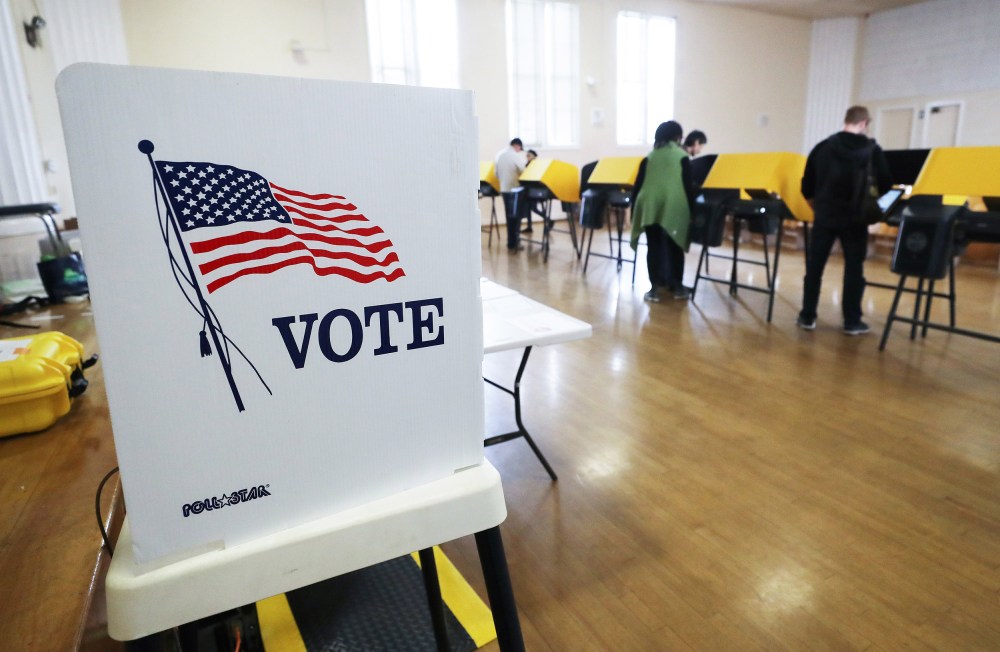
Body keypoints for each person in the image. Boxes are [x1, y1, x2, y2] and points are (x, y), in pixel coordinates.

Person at [797, 106, 892, 335]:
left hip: (825, 216)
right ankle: (851, 321)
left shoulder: (822, 148)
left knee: (814, 268)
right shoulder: (872, 150)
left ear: (846, 120)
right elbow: (887, 184)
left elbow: (806, 185)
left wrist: (817, 206)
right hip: (856, 218)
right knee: (854, 270)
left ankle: (807, 316)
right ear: (863, 124)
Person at [630, 121, 696, 302]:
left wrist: (634, 210)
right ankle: (677, 287)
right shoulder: (682, 156)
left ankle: (654, 288)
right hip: (674, 205)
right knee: (675, 245)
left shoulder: (649, 156)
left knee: (654, 246)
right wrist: (693, 211)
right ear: (677, 137)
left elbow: (638, 185)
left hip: (649, 205)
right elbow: (688, 186)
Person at [495, 138, 528, 251]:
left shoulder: (499, 155)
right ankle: (515, 243)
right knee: (516, 218)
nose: (519, 151)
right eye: (520, 149)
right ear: (517, 146)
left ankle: (510, 242)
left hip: (504, 189)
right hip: (515, 190)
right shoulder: (515, 155)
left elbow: (496, 174)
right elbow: (524, 171)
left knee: (509, 217)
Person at [522, 149, 542, 234]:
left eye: (529, 155)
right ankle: (529, 226)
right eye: (527, 155)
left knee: (533, 208)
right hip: (528, 190)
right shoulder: (527, 165)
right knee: (528, 209)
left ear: (534, 157)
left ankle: (548, 219)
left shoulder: (536, 165)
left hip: (534, 191)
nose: (527, 157)